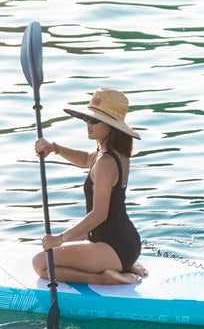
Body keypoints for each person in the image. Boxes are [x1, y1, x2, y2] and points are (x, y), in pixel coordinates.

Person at [32, 88, 148, 286]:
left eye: (94, 120)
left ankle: (104, 277)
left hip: (110, 247)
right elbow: (86, 159)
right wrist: (55, 148)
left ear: (111, 126)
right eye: (87, 118)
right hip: (127, 243)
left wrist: (59, 239)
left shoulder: (105, 162)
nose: (88, 124)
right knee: (63, 243)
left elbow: (99, 215)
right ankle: (123, 264)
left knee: (41, 264)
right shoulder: (116, 153)